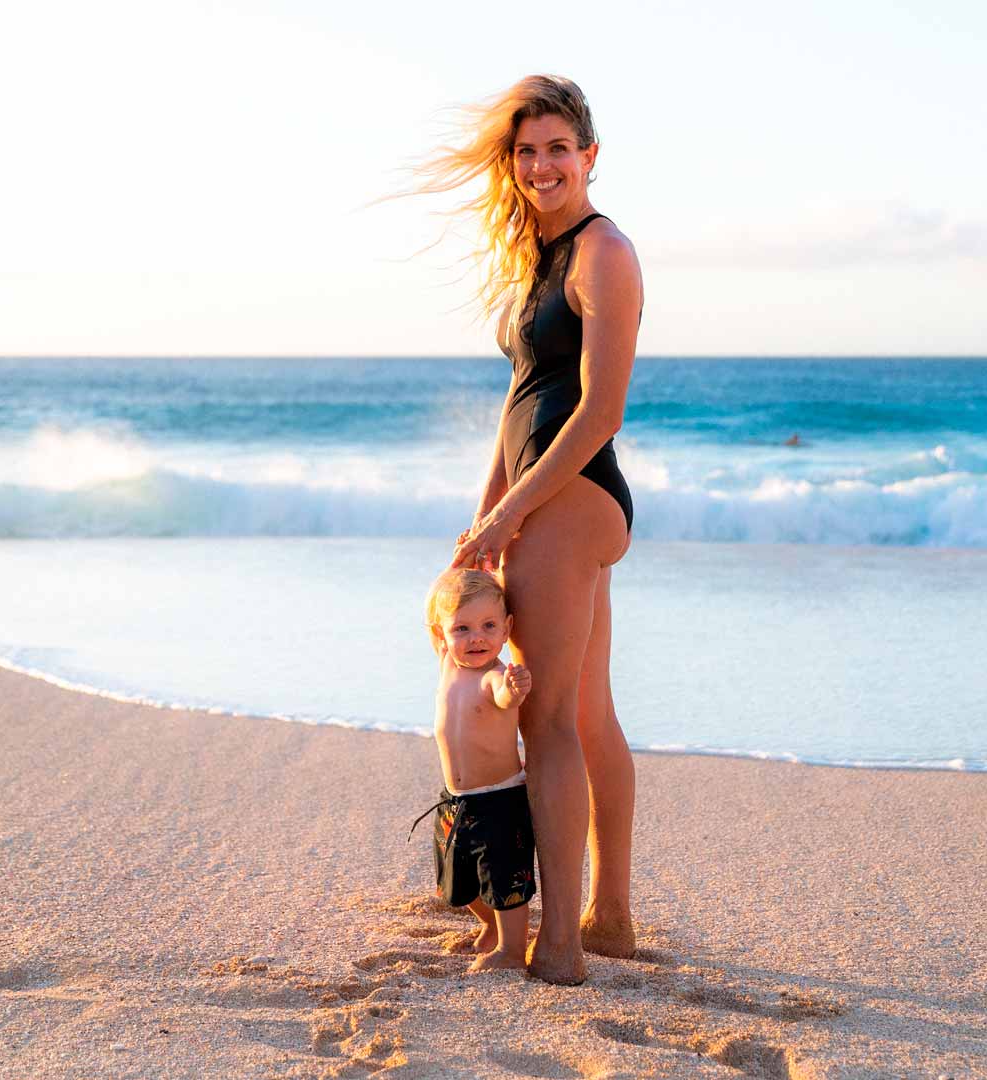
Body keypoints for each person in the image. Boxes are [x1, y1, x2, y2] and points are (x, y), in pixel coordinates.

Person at [410, 74, 643, 984]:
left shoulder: (603, 254)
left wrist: (516, 511)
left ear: (589, 155)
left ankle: (562, 945)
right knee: (585, 713)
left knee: (541, 719)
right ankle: (611, 916)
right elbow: (523, 399)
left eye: (558, 147)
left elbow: (597, 412)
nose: (542, 165)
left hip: (577, 494)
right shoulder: (542, 256)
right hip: (539, 495)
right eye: (526, 150)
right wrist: (487, 509)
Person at [414, 567, 537, 973]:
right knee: (456, 881)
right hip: (454, 799)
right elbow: (439, 605)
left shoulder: (495, 677)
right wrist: (462, 560)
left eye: (488, 626)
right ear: (442, 634)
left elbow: (503, 699)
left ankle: (512, 949)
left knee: (504, 879)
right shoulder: (448, 663)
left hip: (498, 799)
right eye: (462, 628)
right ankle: (489, 926)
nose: (476, 637)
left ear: (507, 629)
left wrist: (515, 689)